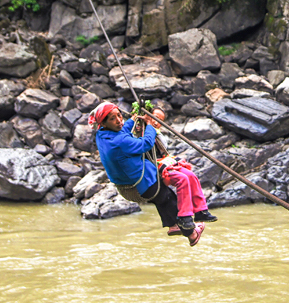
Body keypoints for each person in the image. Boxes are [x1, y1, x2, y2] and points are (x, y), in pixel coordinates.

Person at [90, 101, 208, 247]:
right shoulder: (121, 141)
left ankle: (173, 226)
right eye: (112, 119)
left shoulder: (101, 135)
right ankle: (191, 233)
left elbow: (122, 131)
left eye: (119, 115)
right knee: (167, 197)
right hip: (140, 185)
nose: (119, 120)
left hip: (126, 184)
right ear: (104, 123)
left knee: (161, 199)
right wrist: (150, 126)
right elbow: (145, 144)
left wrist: (133, 119)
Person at [150, 108, 218, 238]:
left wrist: (154, 131)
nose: (156, 122)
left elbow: (164, 147)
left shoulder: (158, 135)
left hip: (165, 162)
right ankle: (184, 216)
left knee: (191, 175)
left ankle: (200, 210)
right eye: (155, 117)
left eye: (160, 120)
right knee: (182, 179)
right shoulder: (141, 131)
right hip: (155, 167)